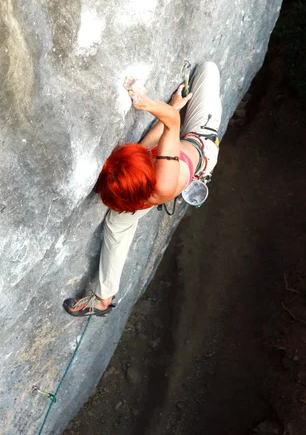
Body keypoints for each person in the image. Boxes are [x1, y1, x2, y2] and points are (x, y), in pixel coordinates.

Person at [63, 62, 222, 317]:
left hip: (191, 144)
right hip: (199, 137)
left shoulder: (156, 184)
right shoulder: (158, 180)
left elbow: (159, 136)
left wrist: (161, 105)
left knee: (118, 222)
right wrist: (151, 104)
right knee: (209, 69)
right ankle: (103, 298)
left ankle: (102, 298)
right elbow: (169, 124)